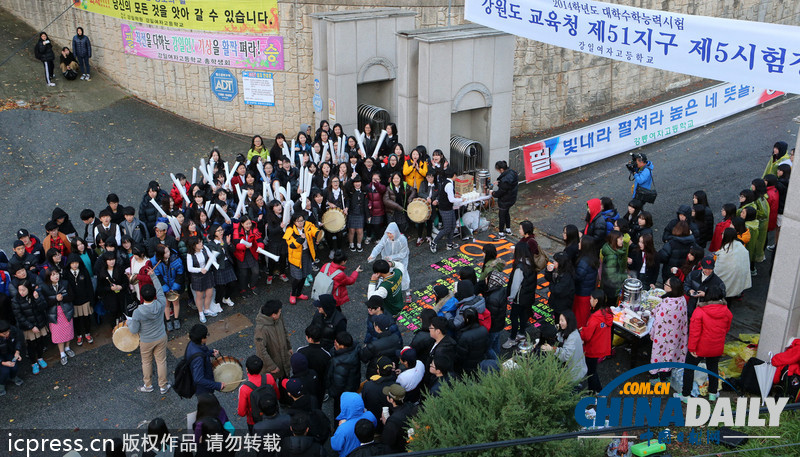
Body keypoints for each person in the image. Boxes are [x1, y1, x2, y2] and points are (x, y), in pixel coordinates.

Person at [679, 285, 732, 403]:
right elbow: (726, 329)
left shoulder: (699, 311)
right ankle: (713, 393)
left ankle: (686, 395)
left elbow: (694, 333)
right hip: (716, 347)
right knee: (713, 368)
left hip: (700, 347)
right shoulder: (727, 312)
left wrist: (692, 348)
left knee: (689, 368)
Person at [127, 275, 170, 394]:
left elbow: (134, 330)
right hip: (161, 336)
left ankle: (148, 385)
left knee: (146, 362)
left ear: (142, 296)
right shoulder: (161, 303)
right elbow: (160, 290)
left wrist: (129, 322)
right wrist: (153, 276)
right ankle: (163, 386)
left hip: (146, 340)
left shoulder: (138, 312)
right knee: (161, 361)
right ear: (154, 294)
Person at [649, 277, 688, 383]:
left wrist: (652, 333)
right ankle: (666, 375)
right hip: (676, 335)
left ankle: (658, 378)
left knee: (661, 354)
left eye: (666, 284)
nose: (664, 285)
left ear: (672, 288)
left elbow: (658, 322)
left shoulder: (667, 304)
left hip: (663, 336)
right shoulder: (681, 299)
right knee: (670, 354)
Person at [502, 242, 538, 349]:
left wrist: (511, 297)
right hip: (528, 296)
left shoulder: (520, 267)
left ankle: (512, 338)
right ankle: (521, 333)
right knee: (524, 315)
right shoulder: (531, 263)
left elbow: (515, 285)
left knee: (514, 316)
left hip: (519, 298)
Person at [541, 310, 588, 387]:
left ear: (569, 322)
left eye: (562, 320)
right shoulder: (572, 331)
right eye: (559, 320)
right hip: (577, 368)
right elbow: (561, 337)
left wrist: (552, 349)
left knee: (572, 390)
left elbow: (566, 356)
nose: (560, 322)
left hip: (573, 373)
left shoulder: (572, 338)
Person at [10, 281, 48, 374]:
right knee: (31, 345)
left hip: (39, 323)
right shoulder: (15, 300)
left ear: (29, 289)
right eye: (19, 290)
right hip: (28, 327)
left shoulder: (35, 294)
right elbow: (19, 316)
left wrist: (37, 299)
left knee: (40, 342)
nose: (21, 292)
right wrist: (31, 326)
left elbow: (43, 307)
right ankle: (33, 363)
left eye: (23, 290)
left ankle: (40, 358)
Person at [580, 290, 612, 393]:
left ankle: (595, 391)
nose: (590, 300)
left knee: (591, 372)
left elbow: (586, 336)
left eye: (591, 298)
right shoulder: (607, 313)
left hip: (592, 349)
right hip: (602, 347)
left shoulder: (594, 318)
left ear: (596, 301)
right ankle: (594, 390)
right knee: (592, 370)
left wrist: (582, 331)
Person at [238, 355, 279, 434]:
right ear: (261, 368)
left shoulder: (244, 388)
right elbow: (277, 396)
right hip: (272, 415)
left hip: (255, 421)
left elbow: (241, 413)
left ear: (247, 369)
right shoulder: (269, 377)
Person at [284, 213, 320, 304]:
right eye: (298, 221)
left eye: (302, 220)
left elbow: (314, 230)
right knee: (297, 278)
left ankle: (299, 293)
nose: (300, 223)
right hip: (295, 257)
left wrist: (318, 234)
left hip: (306, 254)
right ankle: (293, 294)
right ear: (294, 222)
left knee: (304, 275)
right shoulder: (290, 229)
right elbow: (291, 245)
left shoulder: (307, 225)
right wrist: (300, 239)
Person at [41, 269, 74, 366]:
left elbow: (72, 296)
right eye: (53, 275)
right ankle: (62, 353)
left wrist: (63, 298)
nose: (56, 276)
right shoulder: (44, 287)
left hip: (66, 311)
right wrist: (55, 299)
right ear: (48, 277)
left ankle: (67, 347)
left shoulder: (65, 283)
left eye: (57, 274)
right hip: (54, 313)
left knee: (68, 330)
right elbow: (44, 303)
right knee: (58, 334)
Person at [254, 300, 293, 380]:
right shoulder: (261, 330)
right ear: (273, 315)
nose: (280, 313)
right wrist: (271, 366)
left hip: (284, 358)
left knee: (285, 381)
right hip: (273, 363)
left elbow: (284, 331)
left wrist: (289, 347)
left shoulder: (278, 318)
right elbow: (261, 351)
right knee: (272, 383)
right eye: (279, 312)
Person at [331, 392, 378, 457]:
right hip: (369, 450)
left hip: (349, 454)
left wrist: (342, 426)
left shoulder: (343, 428)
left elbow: (336, 446)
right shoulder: (370, 415)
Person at [328, 331, 361, 420]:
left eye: (336, 342)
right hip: (353, 385)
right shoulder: (355, 349)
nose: (334, 343)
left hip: (343, 393)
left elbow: (338, 385)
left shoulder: (339, 363)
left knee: (339, 410)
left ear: (342, 346)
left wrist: (331, 392)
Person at [185, 324, 225, 395]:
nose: (207, 337)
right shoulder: (198, 359)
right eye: (206, 335)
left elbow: (201, 352)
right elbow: (198, 379)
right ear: (202, 339)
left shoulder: (192, 343)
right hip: (203, 391)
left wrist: (211, 352)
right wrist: (217, 385)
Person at [714, 227, 752, 300]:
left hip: (726, 282)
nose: (721, 235)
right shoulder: (741, 246)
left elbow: (718, 270)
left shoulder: (724, 252)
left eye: (723, 234)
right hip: (738, 278)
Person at [430, 168, 461, 253]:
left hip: (448, 208)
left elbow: (447, 195)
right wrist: (461, 199)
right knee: (447, 228)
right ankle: (434, 242)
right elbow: (451, 199)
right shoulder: (449, 184)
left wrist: (455, 196)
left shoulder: (447, 182)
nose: (456, 177)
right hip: (445, 209)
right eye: (456, 175)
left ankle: (449, 244)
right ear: (453, 175)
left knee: (453, 226)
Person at [64, 254, 93, 345]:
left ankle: (87, 333)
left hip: (85, 300)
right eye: (72, 263)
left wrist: (91, 299)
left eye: (76, 262)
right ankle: (79, 335)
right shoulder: (66, 273)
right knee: (76, 320)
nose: (75, 265)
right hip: (74, 302)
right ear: (69, 264)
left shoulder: (84, 271)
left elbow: (89, 286)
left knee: (86, 318)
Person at [186, 236, 216, 323]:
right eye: (198, 243)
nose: (201, 244)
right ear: (193, 245)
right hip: (197, 277)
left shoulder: (205, 248)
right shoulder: (190, 255)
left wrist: (212, 261)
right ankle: (201, 313)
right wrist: (200, 270)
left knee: (209, 293)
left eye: (201, 242)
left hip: (207, 274)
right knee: (199, 296)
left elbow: (212, 257)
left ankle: (206, 309)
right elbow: (189, 268)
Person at [297, 325, 331, 403]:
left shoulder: (301, 351)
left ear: (310, 339)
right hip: (319, 384)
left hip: (305, 382)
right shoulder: (326, 355)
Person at [381, 383, 418, 453]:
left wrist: (386, 423)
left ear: (391, 400)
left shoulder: (392, 421)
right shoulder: (411, 406)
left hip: (401, 450)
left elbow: (388, 441)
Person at [233, 216, 264, 295]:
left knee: (256, 271)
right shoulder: (237, 230)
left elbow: (259, 239)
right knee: (243, 274)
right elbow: (236, 243)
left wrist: (260, 246)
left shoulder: (254, 229)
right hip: (241, 253)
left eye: (250, 223)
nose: (249, 225)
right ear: (242, 224)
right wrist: (244, 246)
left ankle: (252, 285)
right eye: (246, 224)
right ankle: (243, 288)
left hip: (251, 251)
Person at [455, 307, 489, 375]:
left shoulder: (464, 336)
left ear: (467, 319)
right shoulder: (484, 329)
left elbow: (460, 356)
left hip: (467, 364)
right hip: (480, 359)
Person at [600, 230, 628, 307]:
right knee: (611, 306)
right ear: (614, 240)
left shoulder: (612, 249)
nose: (622, 241)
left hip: (609, 285)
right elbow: (612, 276)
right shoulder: (612, 257)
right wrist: (625, 277)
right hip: (611, 288)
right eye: (620, 239)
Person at [492, 160, 519, 237]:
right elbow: (508, 186)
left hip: (505, 200)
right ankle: (508, 229)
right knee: (506, 213)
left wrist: (493, 193)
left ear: (501, 169)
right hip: (512, 198)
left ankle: (501, 232)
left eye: (498, 170)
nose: (498, 172)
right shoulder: (512, 173)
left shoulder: (505, 180)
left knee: (502, 215)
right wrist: (499, 183)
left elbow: (501, 192)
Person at [544, 251, 576, 317]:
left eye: (555, 261)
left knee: (560, 319)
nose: (553, 262)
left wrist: (551, 283)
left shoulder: (567, 276)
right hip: (557, 302)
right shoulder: (558, 270)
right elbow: (549, 278)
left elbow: (557, 290)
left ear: (561, 263)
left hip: (562, 305)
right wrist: (548, 272)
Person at [0, 320, 24, 396]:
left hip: (9, 352)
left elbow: (18, 340)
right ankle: (1, 384)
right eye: (4, 334)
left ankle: (13, 377)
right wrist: (3, 362)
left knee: (14, 366)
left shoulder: (13, 329)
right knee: (4, 371)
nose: (7, 334)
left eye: (8, 332)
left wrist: (17, 351)